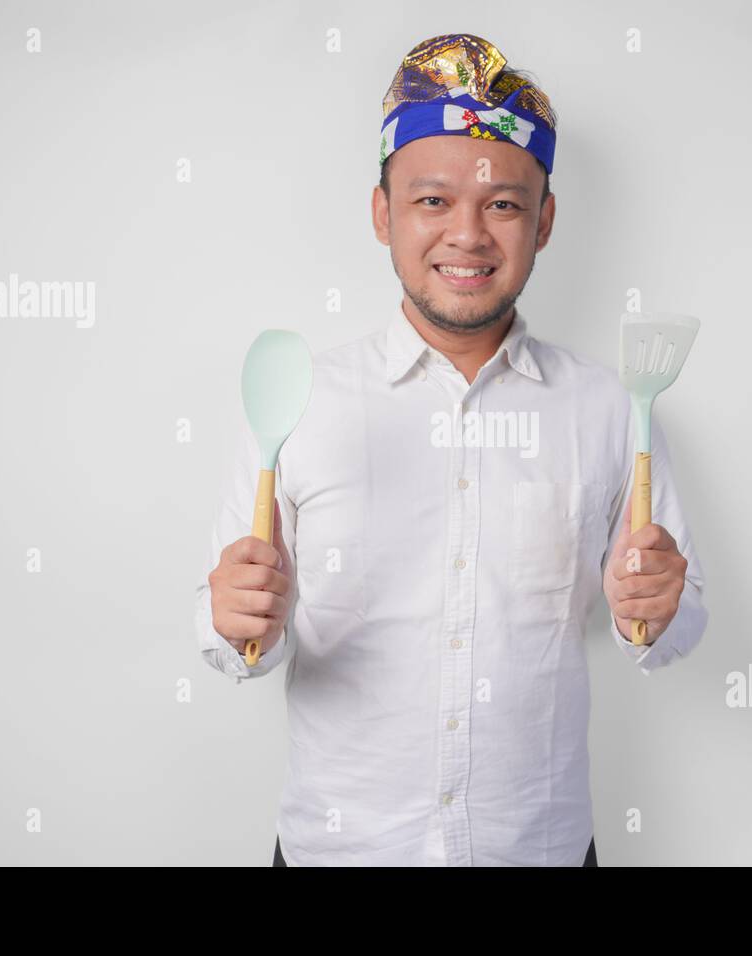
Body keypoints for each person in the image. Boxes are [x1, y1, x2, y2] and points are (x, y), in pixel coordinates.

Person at [195, 33, 709, 866]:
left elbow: (673, 630)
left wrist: (653, 613)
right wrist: (233, 621)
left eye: (503, 204)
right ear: (382, 213)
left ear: (543, 222)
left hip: (536, 848)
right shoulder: (296, 403)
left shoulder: (612, 409)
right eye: (433, 201)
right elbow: (235, 644)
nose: (467, 234)